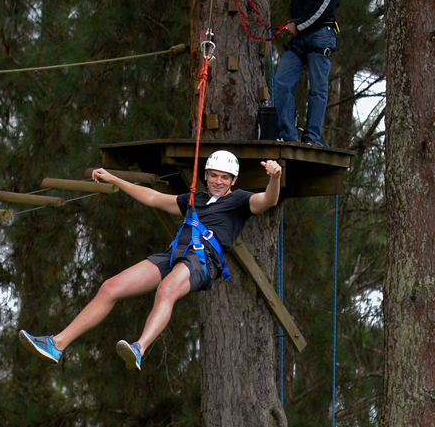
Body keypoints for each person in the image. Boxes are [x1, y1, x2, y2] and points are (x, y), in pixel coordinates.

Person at [18, 151, 282, 371]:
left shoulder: (239, 201)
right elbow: (153, 198)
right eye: (214, 175)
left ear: (233, 180)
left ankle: (139, 348)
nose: (218, 181)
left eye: (225, 177)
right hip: (174, 254)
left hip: (203, 261)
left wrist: (275, 178)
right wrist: (115, 178)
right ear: (206, 175)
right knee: (110, 287)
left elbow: (268, 200)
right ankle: (57, 344)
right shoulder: (195, 199)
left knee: (166, 289)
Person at [228, 0, 343, 145]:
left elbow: (325, 8)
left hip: (320, 34)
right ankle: (288, 135)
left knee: (317, 89)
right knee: (281, 82)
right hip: (300, 36)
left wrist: (298, 25)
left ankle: (310, 138)